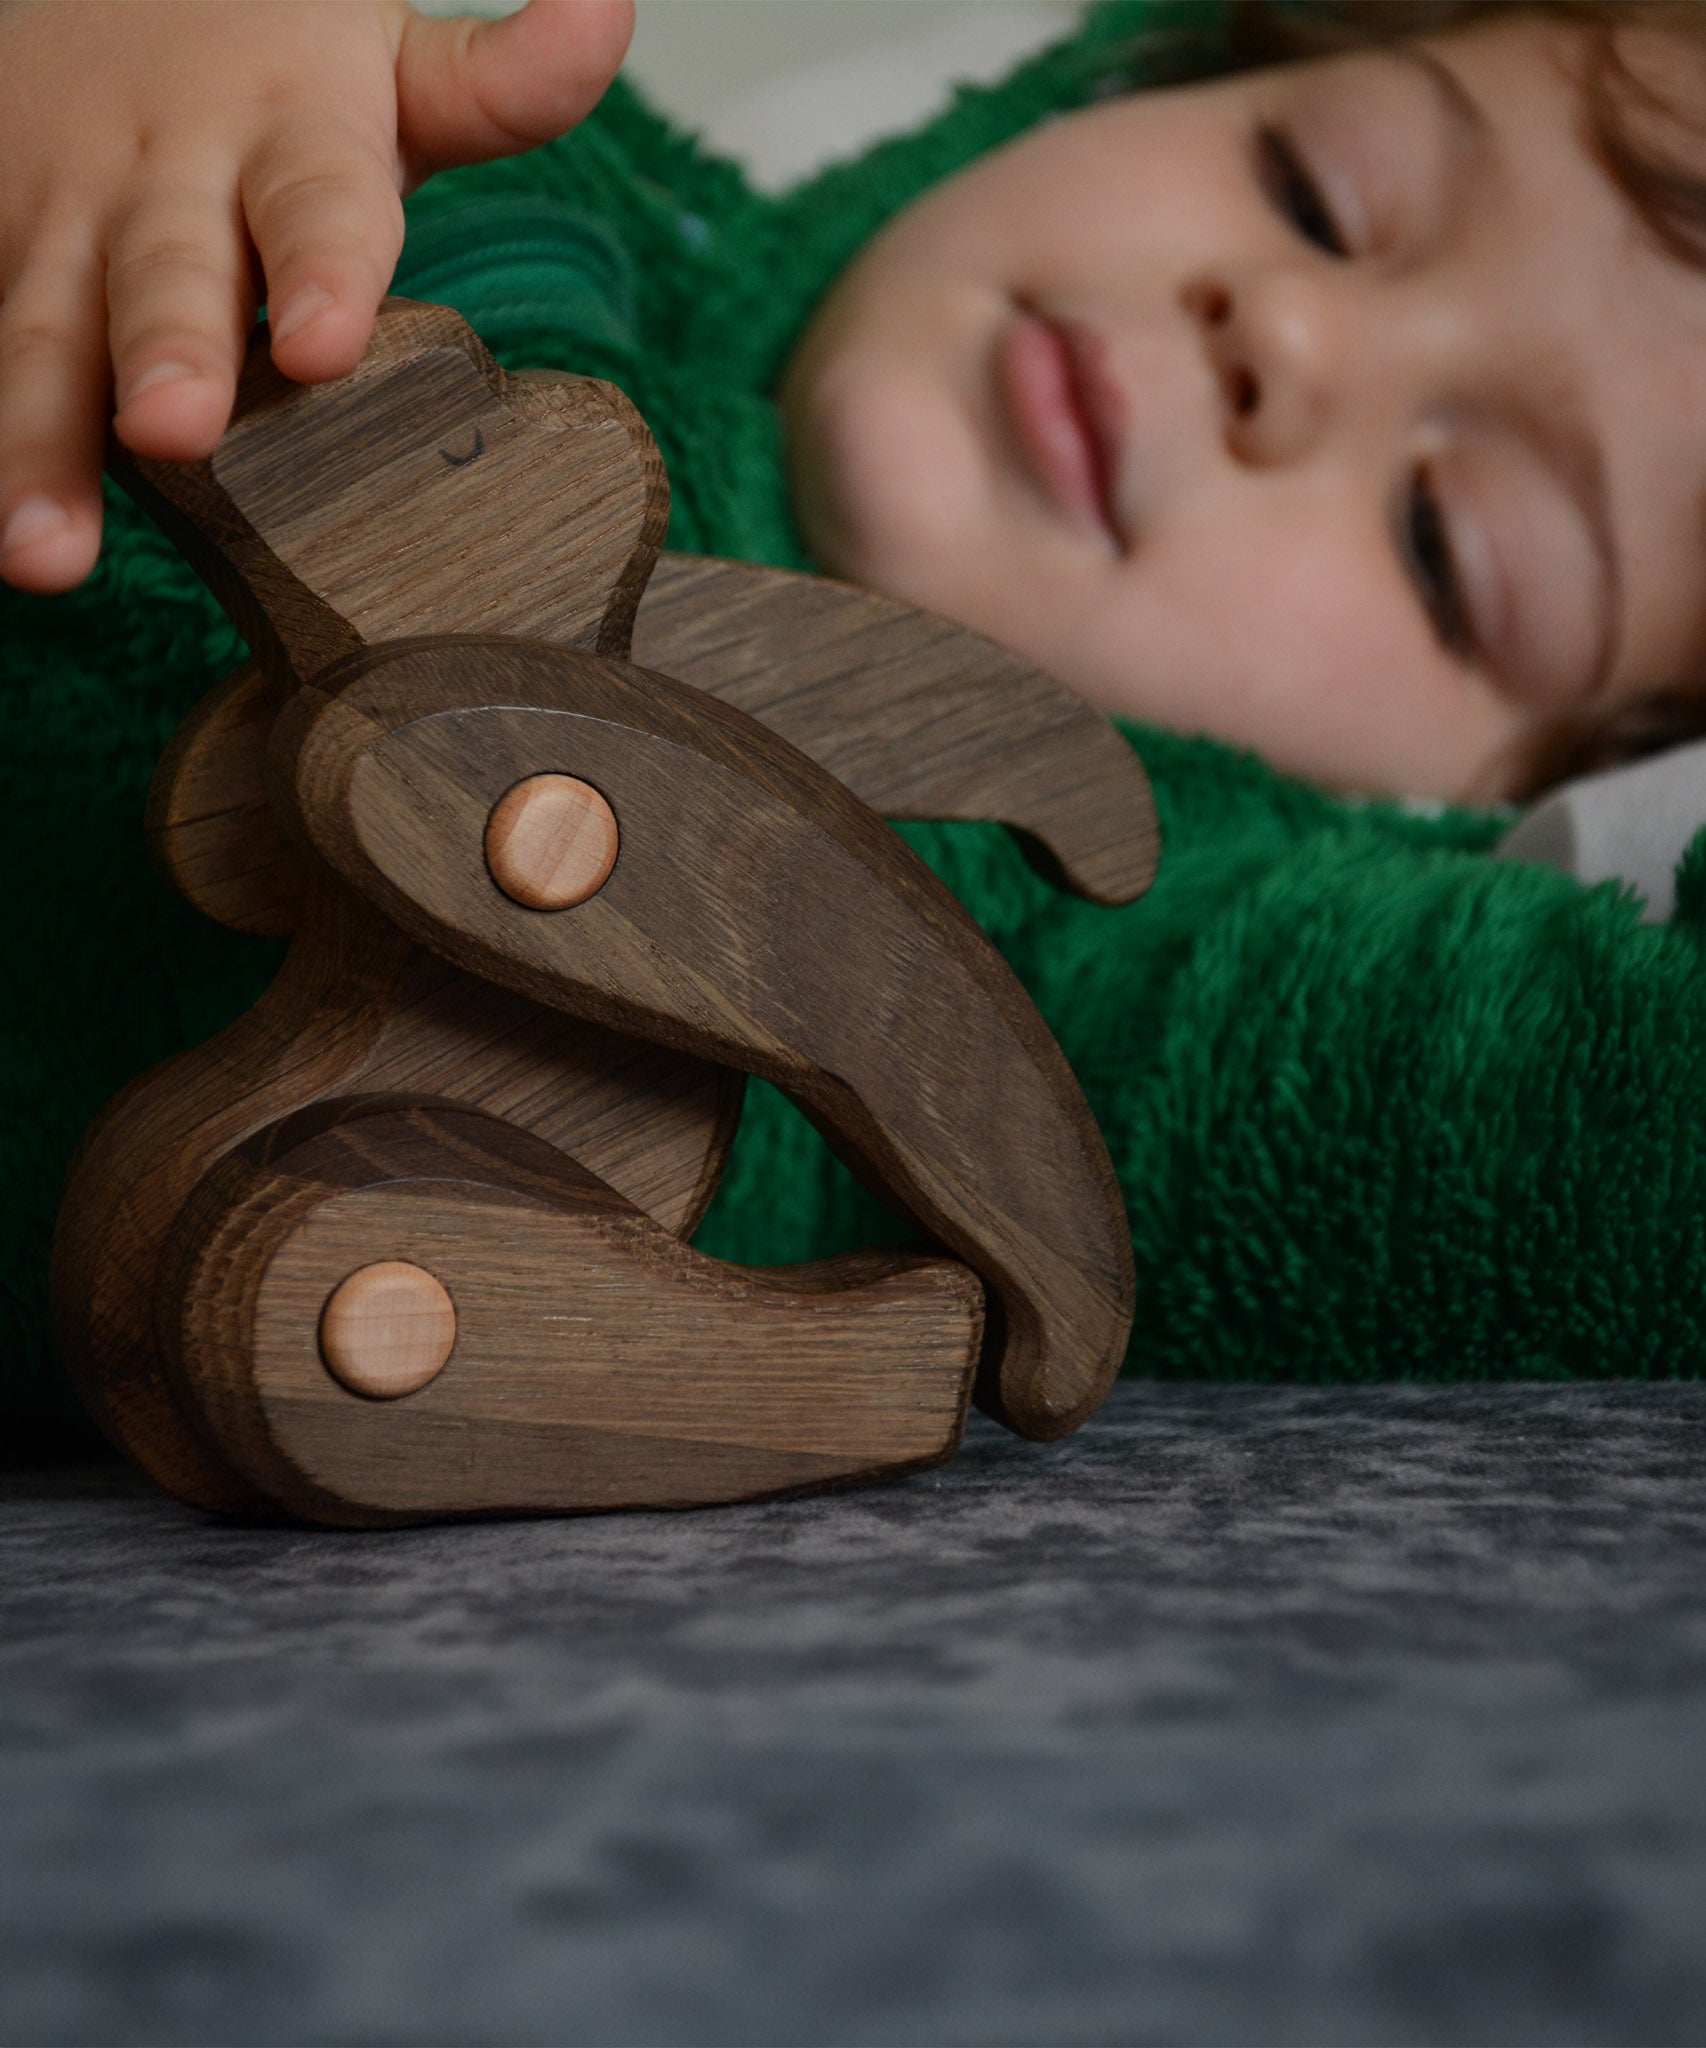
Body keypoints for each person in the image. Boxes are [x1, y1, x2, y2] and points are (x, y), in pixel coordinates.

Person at [4, 0, 1706, 1454]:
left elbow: (1628, 1148)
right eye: (1315, 191)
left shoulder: (1135, 1015)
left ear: (1486, 795)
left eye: (1442, 541)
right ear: (1149, 71)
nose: (1287, 333)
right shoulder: (458, 155)